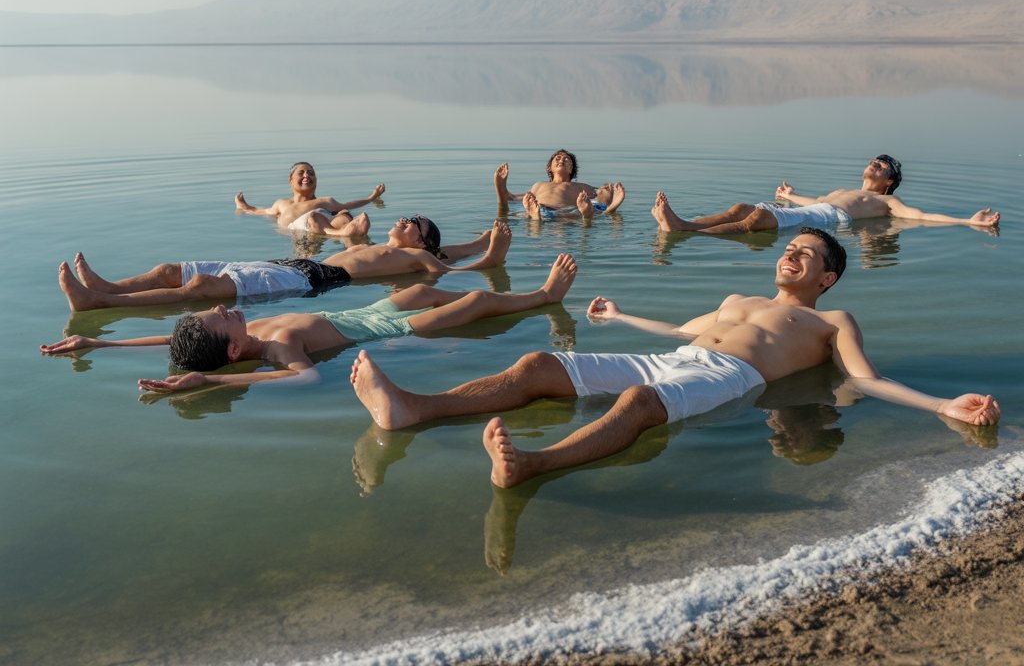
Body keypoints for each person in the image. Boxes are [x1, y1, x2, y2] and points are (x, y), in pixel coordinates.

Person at [348, 227, 999, 489]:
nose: (791, 254)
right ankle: (410, 408)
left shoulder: (829, 319)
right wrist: (617, 316)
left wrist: (944, 404)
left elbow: (867, 379)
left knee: (640, 407)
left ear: (828, 277)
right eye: (790, 247)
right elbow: (681, 330)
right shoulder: (738, 296)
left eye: (806, 253)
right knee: (538, 367)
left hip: (730, 378)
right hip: (681, 359)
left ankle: (532, 465)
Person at [41, 254, 579, 393]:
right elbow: (305, 377)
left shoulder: (241, 336)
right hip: (386, 333)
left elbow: (171, 338)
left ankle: (504, 292)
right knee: (469, 308)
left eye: (217, 307)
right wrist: (209, 381)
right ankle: (542, 296)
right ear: (232, 353)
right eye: (223, 318)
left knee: (419, 289)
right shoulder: (276, 351)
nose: (228, 310)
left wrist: (100, 344)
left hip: (360, 312)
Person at [58, 218, 511, 311]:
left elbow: (446, 269)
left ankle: (98, 304)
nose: (403, 221)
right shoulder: (385, 243)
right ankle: (109, 286)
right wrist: (481, 238)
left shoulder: (416, 258)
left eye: (412, 223)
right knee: (170, 270)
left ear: (421, 240)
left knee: (200, 288)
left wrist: (491, 257)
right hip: (287, 262)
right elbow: (458, 248)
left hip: (311, 278)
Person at [652, 154, 1000, 234]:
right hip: (817, 211)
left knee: (756, 218)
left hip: (829, 220)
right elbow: (816, 202)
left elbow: (921, 217)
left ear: (889, 182)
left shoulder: (886, 202)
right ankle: (685, 224)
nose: (874, 165)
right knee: (742, 207)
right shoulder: (843, 189)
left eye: (882, 167)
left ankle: (684, 230)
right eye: (873, 161)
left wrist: (967, 221)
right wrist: (790, 195)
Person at [235, 161, 385, 233]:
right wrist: (244, 206)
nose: (307, 176)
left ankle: (348, 230)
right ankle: (344, 233)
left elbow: (350, 205)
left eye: (311, 173)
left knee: (343, 215)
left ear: (316, 180)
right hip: (301, 232)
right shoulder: (281, 204)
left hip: (320, 225)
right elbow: (261, 212)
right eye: (301, 173)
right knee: (314, 218)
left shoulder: (325, 201)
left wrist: (372, 197)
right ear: (290, 180)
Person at [494, 149, 626, 219]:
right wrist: (500, 185)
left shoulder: (582, 186)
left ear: (571, 170)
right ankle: (535, 217)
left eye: (566, 159)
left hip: (567, 213)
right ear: (549, 168)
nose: (561, 160)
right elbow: (509, 199)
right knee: (521, 213)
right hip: (541, 209)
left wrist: (608, 192)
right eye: (557, 158)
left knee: (582, 213)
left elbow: (599, 201)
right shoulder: (538, 185)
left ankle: (591, 214)